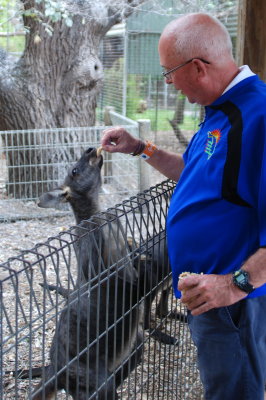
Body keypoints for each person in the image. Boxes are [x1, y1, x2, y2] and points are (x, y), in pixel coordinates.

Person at [101, 13, 266, 400]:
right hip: (210, 295)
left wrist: (232, 285)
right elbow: (197, 174)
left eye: (168, 73)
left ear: (197, 66)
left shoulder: (256, 119)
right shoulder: (223, 109)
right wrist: (141, 148)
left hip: (232, 302)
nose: (169, 83)